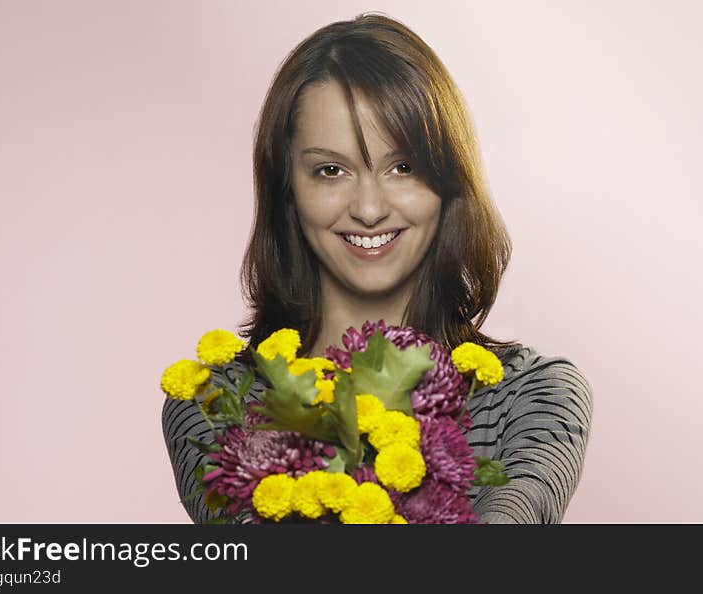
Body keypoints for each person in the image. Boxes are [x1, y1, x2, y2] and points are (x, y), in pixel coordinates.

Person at [162, 12, 593, 524]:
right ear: (288, 189)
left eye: (402, 167)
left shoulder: (532, 394)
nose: (369, 208)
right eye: (331, 170)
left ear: (448, 180)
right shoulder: (212, 401)